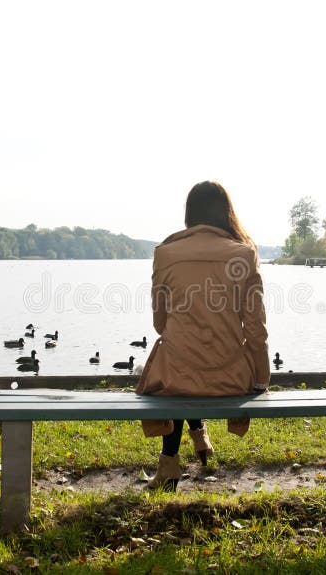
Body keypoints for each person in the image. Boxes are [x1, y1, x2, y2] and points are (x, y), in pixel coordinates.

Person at [136, 180, 270, 491]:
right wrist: (261, 378)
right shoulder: (244, 254)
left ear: (189, 213)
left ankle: (169, 464)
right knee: (188, 367)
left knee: (175, 370)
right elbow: (255, 328)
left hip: (177, 376)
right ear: (227, 213)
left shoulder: (165, 254)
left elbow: (160, 323)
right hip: (231, 378)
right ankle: (199, 438)